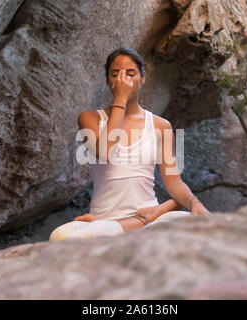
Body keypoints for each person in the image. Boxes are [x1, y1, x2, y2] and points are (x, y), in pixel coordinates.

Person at [49, 47, 210, 241]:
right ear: (108, 80)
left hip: (153, 220)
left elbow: (173, 182)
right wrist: (121, 99)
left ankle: (149, 217)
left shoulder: (160, 126)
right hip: (102, 223)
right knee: (59, 237)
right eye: (115, 74)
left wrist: (194, 203)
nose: (123, 80)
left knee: (192, 228)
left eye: (130, 74)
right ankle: (142, 219)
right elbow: (104, 153)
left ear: (142, 79)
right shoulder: (89, 118)